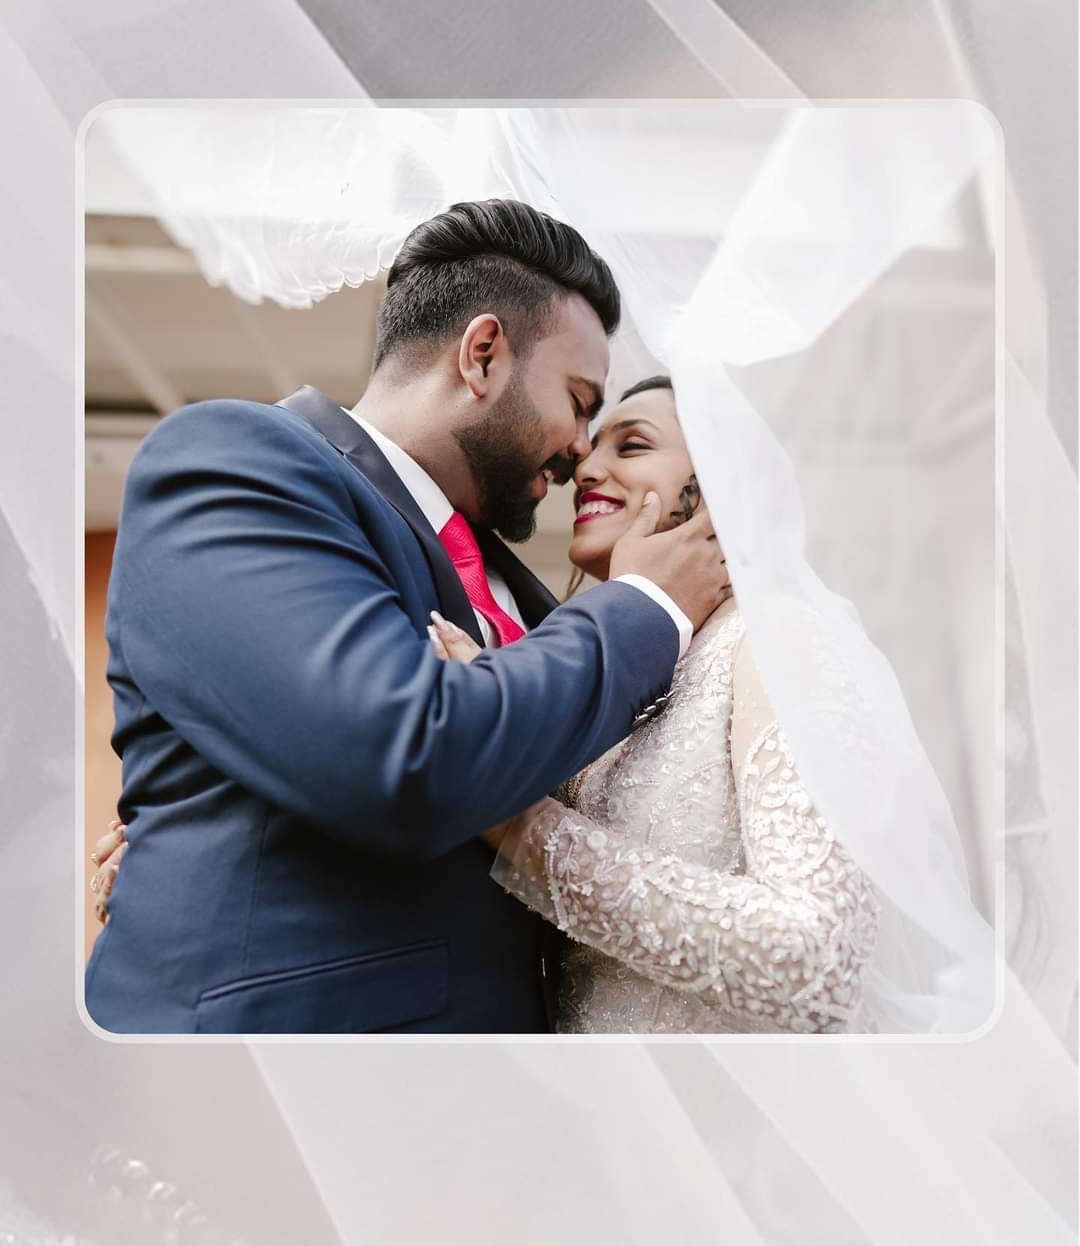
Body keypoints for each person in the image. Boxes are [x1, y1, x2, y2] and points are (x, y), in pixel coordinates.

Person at [84, 200, 729, 1034]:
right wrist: (646, 605)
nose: (581, 450)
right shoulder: (235, 463)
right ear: (483, 354)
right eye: (578, 401)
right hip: (286, 1067)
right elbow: (397, 753)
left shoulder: (530, 601)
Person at [428, 376, 882, 1033]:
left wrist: (519, 827)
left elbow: (820, 961)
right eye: (593, 449)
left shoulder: (780, 640)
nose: (587, 468)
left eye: (632, 445)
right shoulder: (614, 669)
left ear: (723, 482)